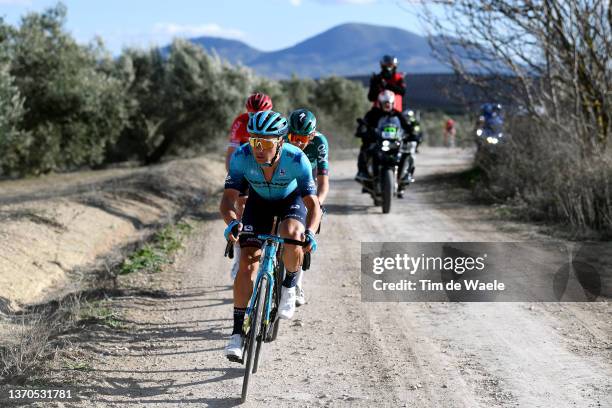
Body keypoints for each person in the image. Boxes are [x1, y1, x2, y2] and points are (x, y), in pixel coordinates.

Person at [220, 110, 322, 362]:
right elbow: (228, 200)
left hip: (290, 201)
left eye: (265, 142)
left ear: (280, 142)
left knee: (292, 234)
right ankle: (236, 335)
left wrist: (310, 232)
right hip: (258, 204)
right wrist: (232, 222)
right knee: (246, 264)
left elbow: (313, 204)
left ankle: (288, 287)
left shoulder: (296, 159)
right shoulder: (243, 157)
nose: (258, 148)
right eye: (255, 141)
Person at [225, 92, 274, 280]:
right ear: (247, 113)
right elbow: (231, 153)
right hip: (246, 168)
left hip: (268, 169)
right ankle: (239, 258)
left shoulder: (276, 123)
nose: (256, 118)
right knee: (242, 208)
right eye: (252, 115)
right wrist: (232, 178)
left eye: (261, 113)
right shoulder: (240, 122)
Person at [286, 108, 330, 307]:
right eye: (293, 136)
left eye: (302, 138)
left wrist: (317, 204)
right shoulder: (282, 136)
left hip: (306, 182)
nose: (296, 142)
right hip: (283, 181)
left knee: (302, 234)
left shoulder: (320, 143)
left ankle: (296, 283)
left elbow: (323, 181)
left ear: (311, 135)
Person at [356, 90, 416, 193]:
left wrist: (413, 134)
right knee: (365, 150)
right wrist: (362, 131)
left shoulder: (397, 115)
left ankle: (405, 176)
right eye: (385, 103)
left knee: (407, 154)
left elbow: (406, 126)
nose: (387, 105)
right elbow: (364, 124)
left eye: (389, 103)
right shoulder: (373, 113)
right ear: (380, 103)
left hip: (394, 141)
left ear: (393, 103)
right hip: (377, 141)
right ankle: (364, 173)